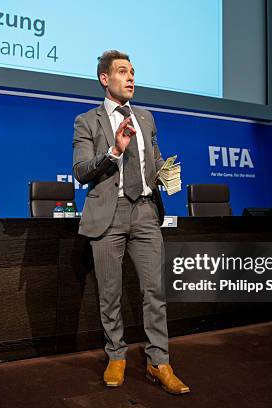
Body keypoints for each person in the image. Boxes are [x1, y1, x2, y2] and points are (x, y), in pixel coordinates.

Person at [73, 50, 189, 394]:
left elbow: (151, 161)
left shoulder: (147, 117)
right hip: (109, 214)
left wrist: (164, 173)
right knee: (109, 295)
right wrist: (114, 151)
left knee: (155, 291)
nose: (131, 77)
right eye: (123, 71)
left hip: (145, 212)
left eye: (133, 72)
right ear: (105, 79)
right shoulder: (87, 121)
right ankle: (117, 356)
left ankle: (159, 362)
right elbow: (81, 171)